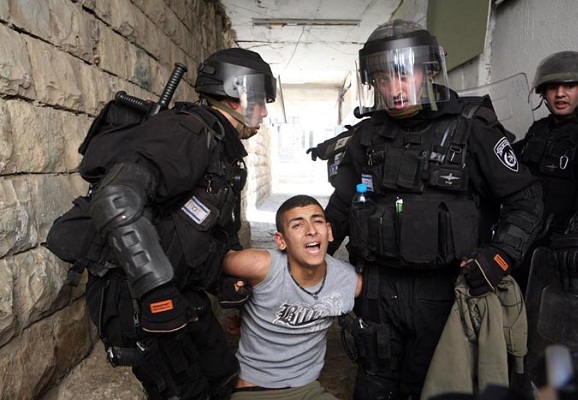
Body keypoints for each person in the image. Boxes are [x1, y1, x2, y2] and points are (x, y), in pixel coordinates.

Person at [323, 19, 544, 399]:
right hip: (377, 288)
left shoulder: (472, 127)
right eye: (383, 79)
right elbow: (341, 206)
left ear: (427, 71)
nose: (395, 89)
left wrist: (500, 257)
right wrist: (304, 262)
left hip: (444, 289)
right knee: (373, 384)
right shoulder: (367, 135)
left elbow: (526, 200)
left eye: (403, 74)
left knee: (434, 386)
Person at [81, 48, 278, 399]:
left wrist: (224, 281)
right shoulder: (184, 131)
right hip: (139, 297)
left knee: (224, 377)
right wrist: (156, 290)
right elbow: (115, 198)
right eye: (261, 101)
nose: (264, 111)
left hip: (183, 292)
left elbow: (201, 228)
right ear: (236, 94)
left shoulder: (219, 145)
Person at [512, 51, 578, 395]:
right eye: (552, 87)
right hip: (530, 253)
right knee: (524, 340)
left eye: (570, 85)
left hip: (570, 259)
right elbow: (510, 173)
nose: (560, 93)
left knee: (563, 345)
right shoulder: (538, 131)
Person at [221, 194, 362, 400]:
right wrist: (233, 294)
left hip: (308, 389)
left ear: (329, 232)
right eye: (298, 225)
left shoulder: (349, 281)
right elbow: (213, 261)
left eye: (317, 221)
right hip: (254, 390)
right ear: (281, 240)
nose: (311, 230)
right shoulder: (259, 265)